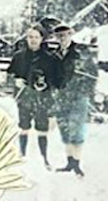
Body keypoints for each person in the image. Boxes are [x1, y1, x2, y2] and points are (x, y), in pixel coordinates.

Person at [7, 25, 60, 168]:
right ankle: (22, 155)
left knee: (42, 129)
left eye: (36, 37)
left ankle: (45, 158)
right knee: (23, 127)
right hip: (24, 98)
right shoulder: (18, 56)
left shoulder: (50, 58)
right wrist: (15, 81)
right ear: (26, 38)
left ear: (42, 39)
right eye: (30, 37)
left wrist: (46, 85)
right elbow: (9, 75)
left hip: (42, 99)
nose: (33, 40)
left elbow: (56, 80)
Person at [51, 23, 97, 177]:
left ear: (70, 34)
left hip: (78, 96)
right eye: (58, 36)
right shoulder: (55, 55)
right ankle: (69, 162)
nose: (62, 38)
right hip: (61, 97)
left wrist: (85, 92)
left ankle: (77, 164)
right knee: (64, 129)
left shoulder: (81, 51)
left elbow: (92, 74)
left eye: (64, 35)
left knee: (76, 130)